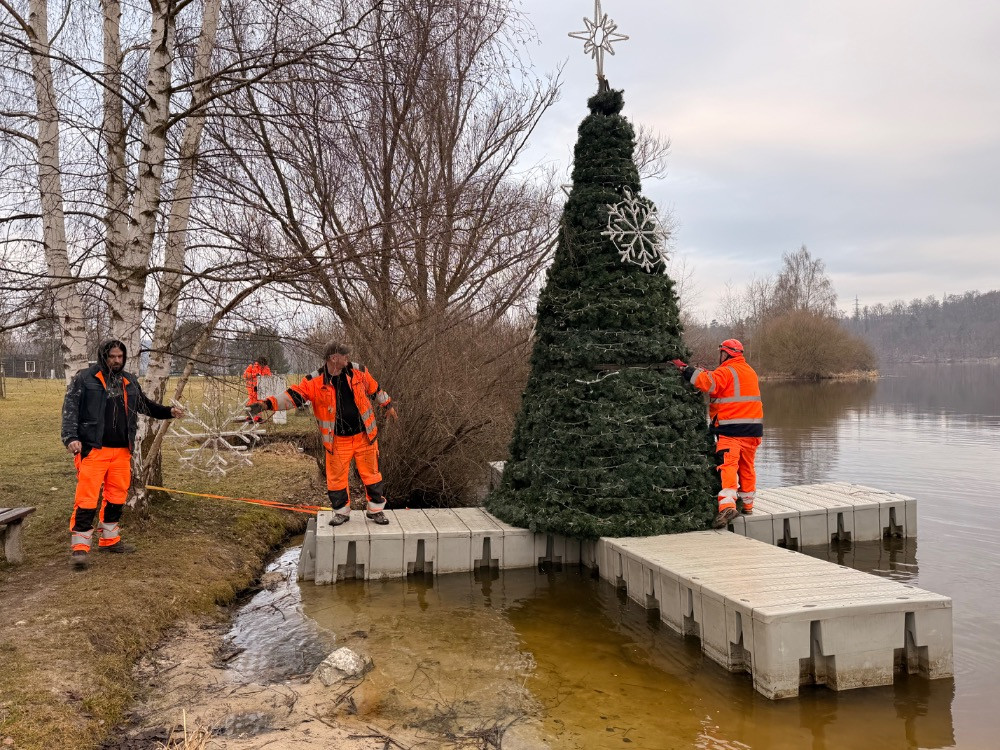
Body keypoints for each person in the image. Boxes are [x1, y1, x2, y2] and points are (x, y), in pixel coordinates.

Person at [61, 339, 184, 568]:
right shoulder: (85, 378)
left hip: (122, 451)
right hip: (93, 449)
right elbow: (70, 409)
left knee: (117, 497)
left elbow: (145, 405)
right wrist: (70, 438)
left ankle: (109, 540)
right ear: (103, 356)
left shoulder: (129, 381)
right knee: (87, 498)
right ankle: (80, 549)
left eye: (120, 357)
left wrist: (169, 411)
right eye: (112, 357)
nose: (117, 361)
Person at [249, 341, 398, 525]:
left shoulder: (358, 371)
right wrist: (265, 404)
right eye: (344, 355)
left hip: (364, 437)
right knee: (336, 480)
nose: (347, 357)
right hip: (337, 441)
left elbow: (375, 389)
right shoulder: (314, 381)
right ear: (333, 358)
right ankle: (341, 513)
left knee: (372, 475)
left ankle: (376, 511)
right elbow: (292, 397)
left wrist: (388, 405)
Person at [672, 339, 764, 529]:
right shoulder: (749, 371)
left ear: (726, 353)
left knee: (728, 466)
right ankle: (748, 505)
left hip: (731, 429)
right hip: (753, 430)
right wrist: (706, 372)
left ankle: (727, 506)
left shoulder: (727, 371)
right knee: (747, 467)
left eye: (721, 353)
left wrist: (685, 370)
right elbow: (720, 382)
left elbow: (708, 383)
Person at [243, 356, 272, 421]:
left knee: (260, 402)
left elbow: (269, 377)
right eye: (262, 365)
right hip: (252, 387)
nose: (263, 366)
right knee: (253, 401)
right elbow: (245, 375)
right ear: (259, 363)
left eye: (264, 365)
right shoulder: (252, 367)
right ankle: (252, 417)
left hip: (261, 388)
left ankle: (253, 417)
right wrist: (255, 375)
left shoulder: (267, 368)